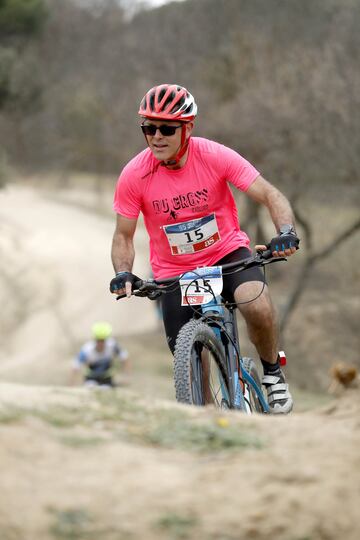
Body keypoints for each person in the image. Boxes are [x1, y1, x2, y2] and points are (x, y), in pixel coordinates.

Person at [109, 83, 299, 413]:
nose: (156, 136)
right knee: (191, 359)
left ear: (188, 128)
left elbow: (271, 195)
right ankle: (206, 420)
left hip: (227, 254)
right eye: (148, 128)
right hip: (175, 271)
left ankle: (272, 375)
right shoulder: (134, 175)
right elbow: (124, 235)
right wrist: (123, 272)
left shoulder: (214, 155)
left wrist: (285, 231)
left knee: (254, 303)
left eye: (166, 128)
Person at [71, 321, 129, 387]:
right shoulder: (86, 349)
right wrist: (72, 384)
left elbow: (125, 357)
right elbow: (76, 365)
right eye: (98, 340)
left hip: (107, 379)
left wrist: (126, 377)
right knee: (90, 387)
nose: (101, 343)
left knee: (106, 389)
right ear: (95, 339)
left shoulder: (112, 345)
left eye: (103, 340)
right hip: (91, 378)